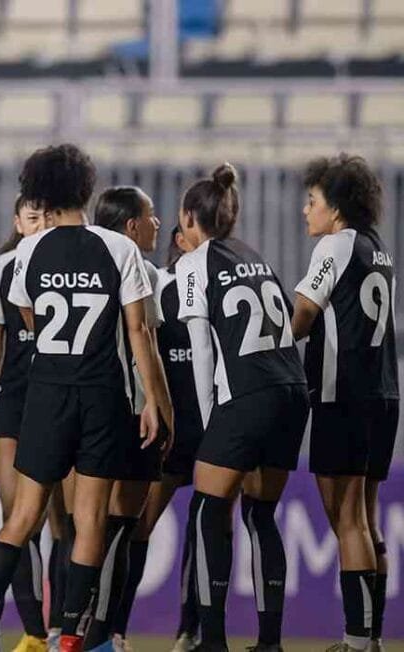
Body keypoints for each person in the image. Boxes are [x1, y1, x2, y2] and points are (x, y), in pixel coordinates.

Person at [0, 144, 173, 652]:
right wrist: (154, 401)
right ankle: (70, 636)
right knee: (91, 519)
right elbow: (138, 335)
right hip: (102, 396)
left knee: (22, 516)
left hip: (47, 394)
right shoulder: (119, 249)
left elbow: (29, 320)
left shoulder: (28, 251)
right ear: (87, 188)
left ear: (41, 191)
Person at [176, 163, 309, 652]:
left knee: (210, 509)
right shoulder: (257, 257)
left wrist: (213, 425)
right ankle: (270, 643)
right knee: (261, 514)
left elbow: (202, 350)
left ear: (191, 217)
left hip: (246, 396)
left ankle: (212, 641)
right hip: (293, 391)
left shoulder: (195, 263)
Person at [289, 154, 397, 652]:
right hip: (382, 396)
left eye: (312, 201)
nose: (304, 210)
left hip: (343, 395)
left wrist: (263, 350)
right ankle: (369, 638)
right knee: (365, 519)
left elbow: (303, 315)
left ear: (335, 208)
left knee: (347, 519)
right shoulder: (378, 250)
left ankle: (357, 642)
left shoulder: (335, 245)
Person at [0, 195, 55, 652]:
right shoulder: (2, 270)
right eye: (31, 217)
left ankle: (52, 631)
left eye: (46, 216)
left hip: (61, 402)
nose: (39, 224)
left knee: (57, 522)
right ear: (17, 221)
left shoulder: (63, 262)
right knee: (17, 517)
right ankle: (21, 631)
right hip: (15, 403)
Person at [82, 187, 167, 652]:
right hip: (134, 411)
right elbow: (147, 347)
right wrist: (163, 410)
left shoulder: (82, 263)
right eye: (151, 216)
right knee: (120, 525)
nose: (157, 223)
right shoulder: (143, 270)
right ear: (132, 226)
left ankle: (72, 629)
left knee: (84, 524)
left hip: (86, 410)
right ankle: (103, 634)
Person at [113, 227, 204, 652]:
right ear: (180, 243)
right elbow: (144, 348)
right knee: (139, 528)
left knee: (207, 528)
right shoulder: (162, 285)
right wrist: (156, 407)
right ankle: (116, 629)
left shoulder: (219, 284)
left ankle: (191, 631)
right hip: (171, 428)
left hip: (208, 427)